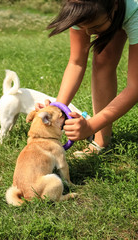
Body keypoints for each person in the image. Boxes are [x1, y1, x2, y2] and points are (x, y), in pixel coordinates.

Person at [37, 0, 138, 157]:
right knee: (103, 58)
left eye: (95, 27)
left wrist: (90, 126)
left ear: (115, 4)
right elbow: (76, 63)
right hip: (115, 13)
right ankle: (102, 140)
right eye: (83, 26)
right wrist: (57, 108)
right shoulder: (81, 5)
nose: (89, 34)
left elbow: (135, 87)